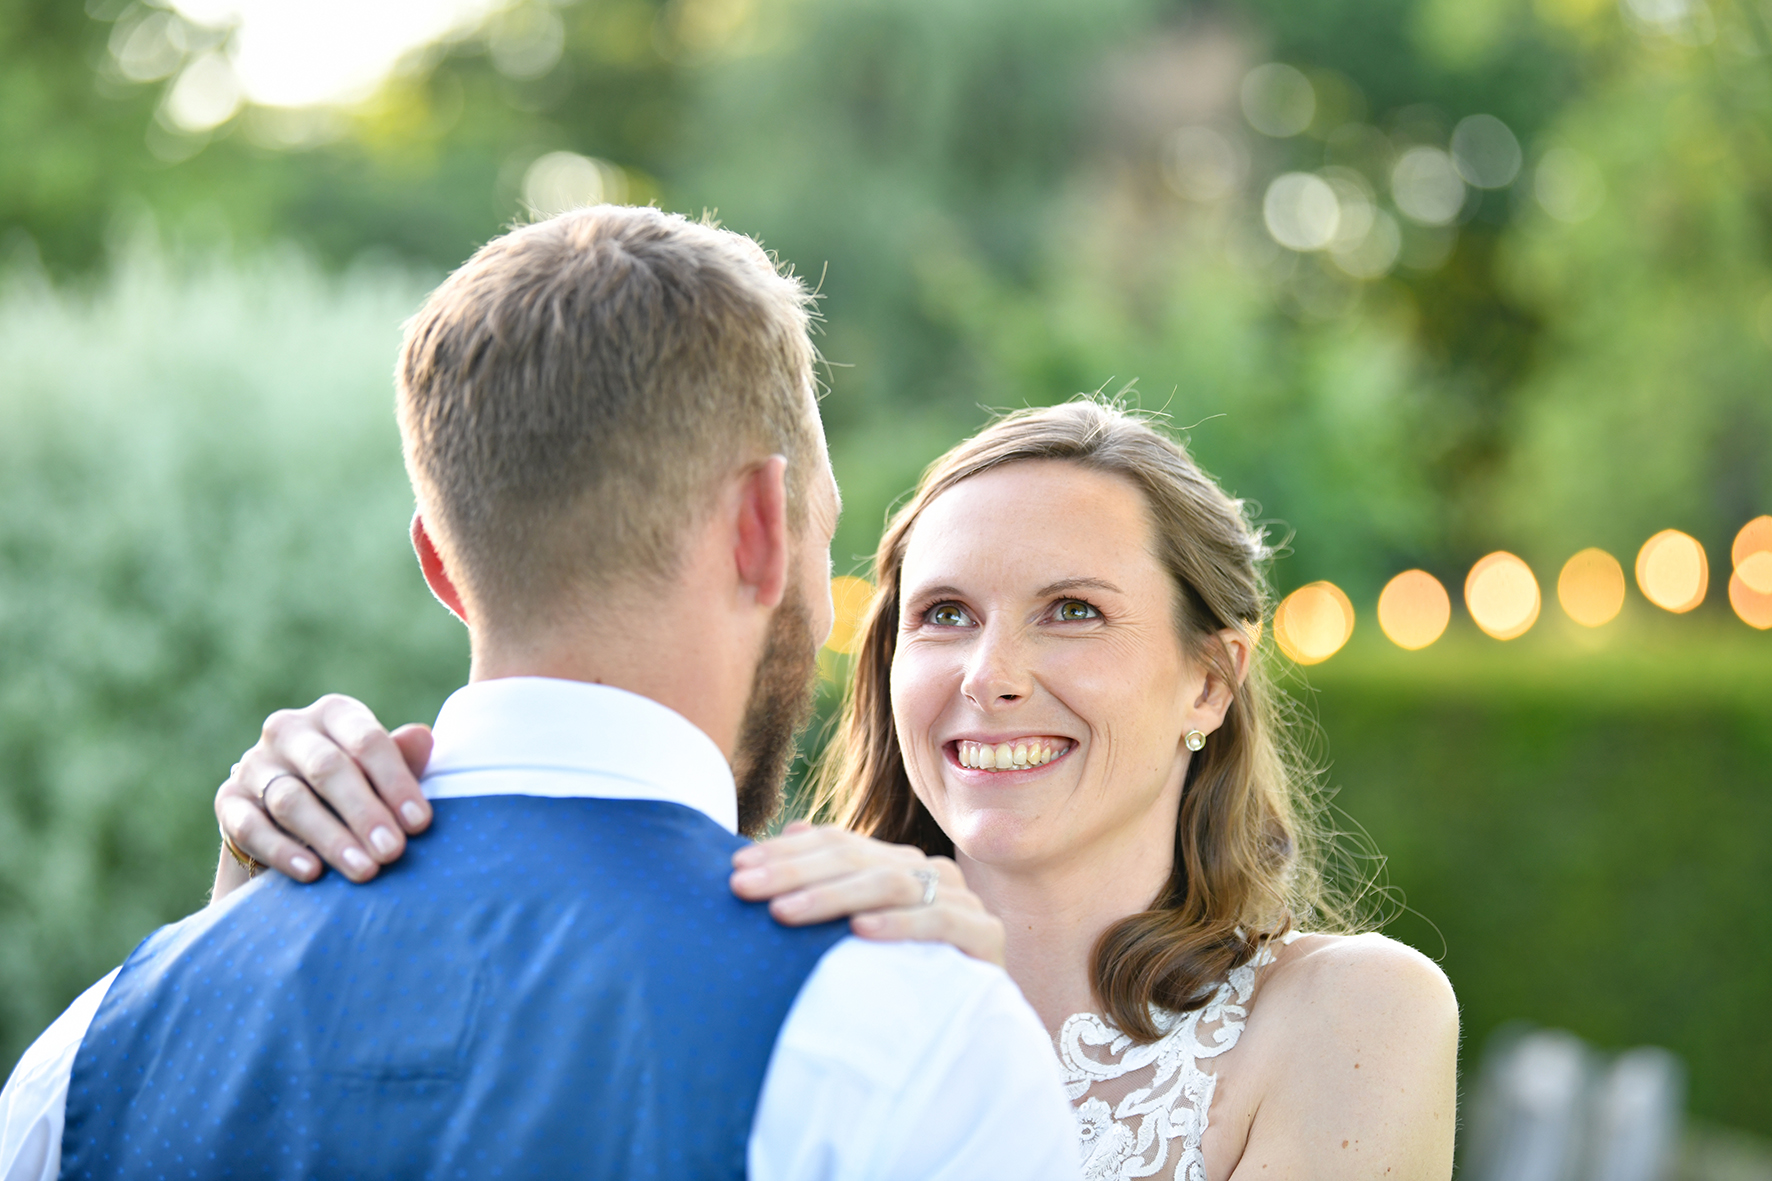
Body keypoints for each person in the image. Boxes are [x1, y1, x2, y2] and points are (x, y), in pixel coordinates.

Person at [0, 206, 1085, 1181]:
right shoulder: (905, 1037)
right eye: (820, 524)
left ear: (440, 563)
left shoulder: (89, 1049)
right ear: (759, 527)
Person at [211, 394, 1462, 1178]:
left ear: (1209, 678)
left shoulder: (1350, 1020)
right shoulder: (745, 962)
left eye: (1072, 611)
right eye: (944, 615)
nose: (992, 675)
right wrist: (273, 906)